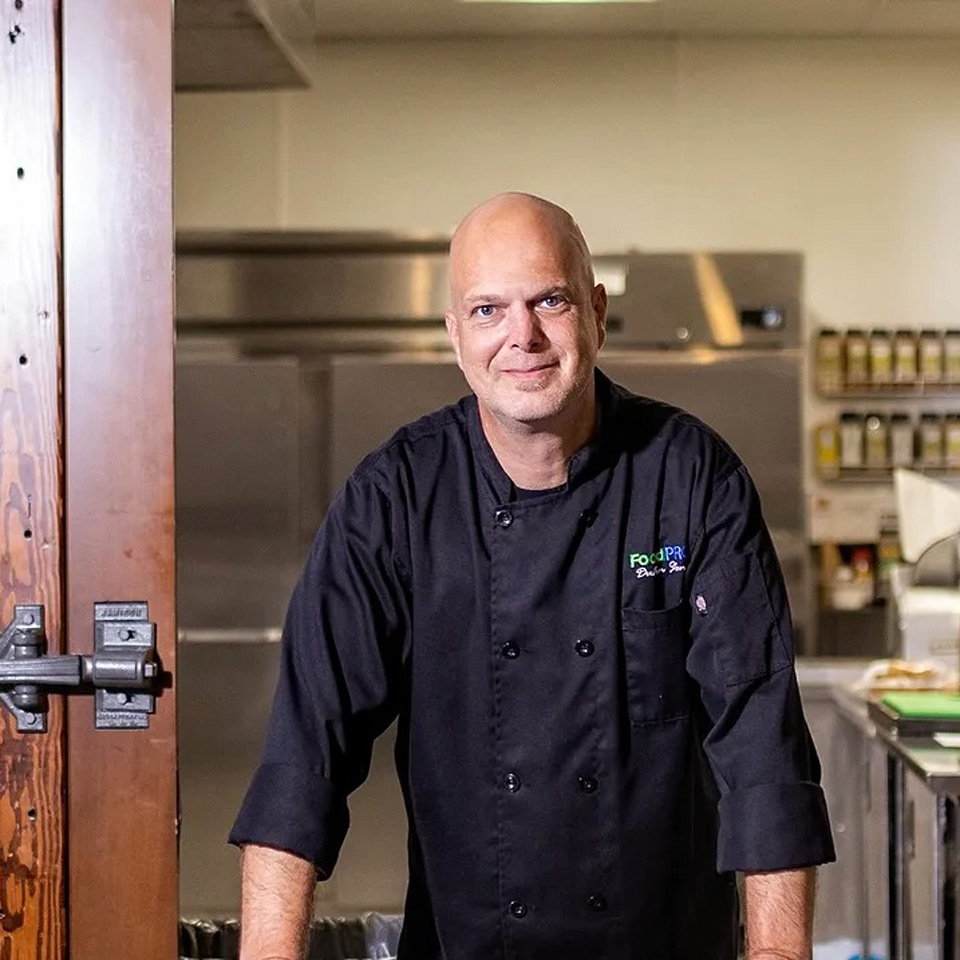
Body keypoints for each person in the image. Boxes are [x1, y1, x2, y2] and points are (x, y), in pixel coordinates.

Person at [230, 192, 835, 960]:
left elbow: (762, 748)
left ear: (596, 311)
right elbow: (304, 757)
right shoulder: (396, 498)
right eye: (488, 310)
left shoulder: (691, 478)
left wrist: (779, 952)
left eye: (549, 300)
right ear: (455, 335)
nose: (522, 336)